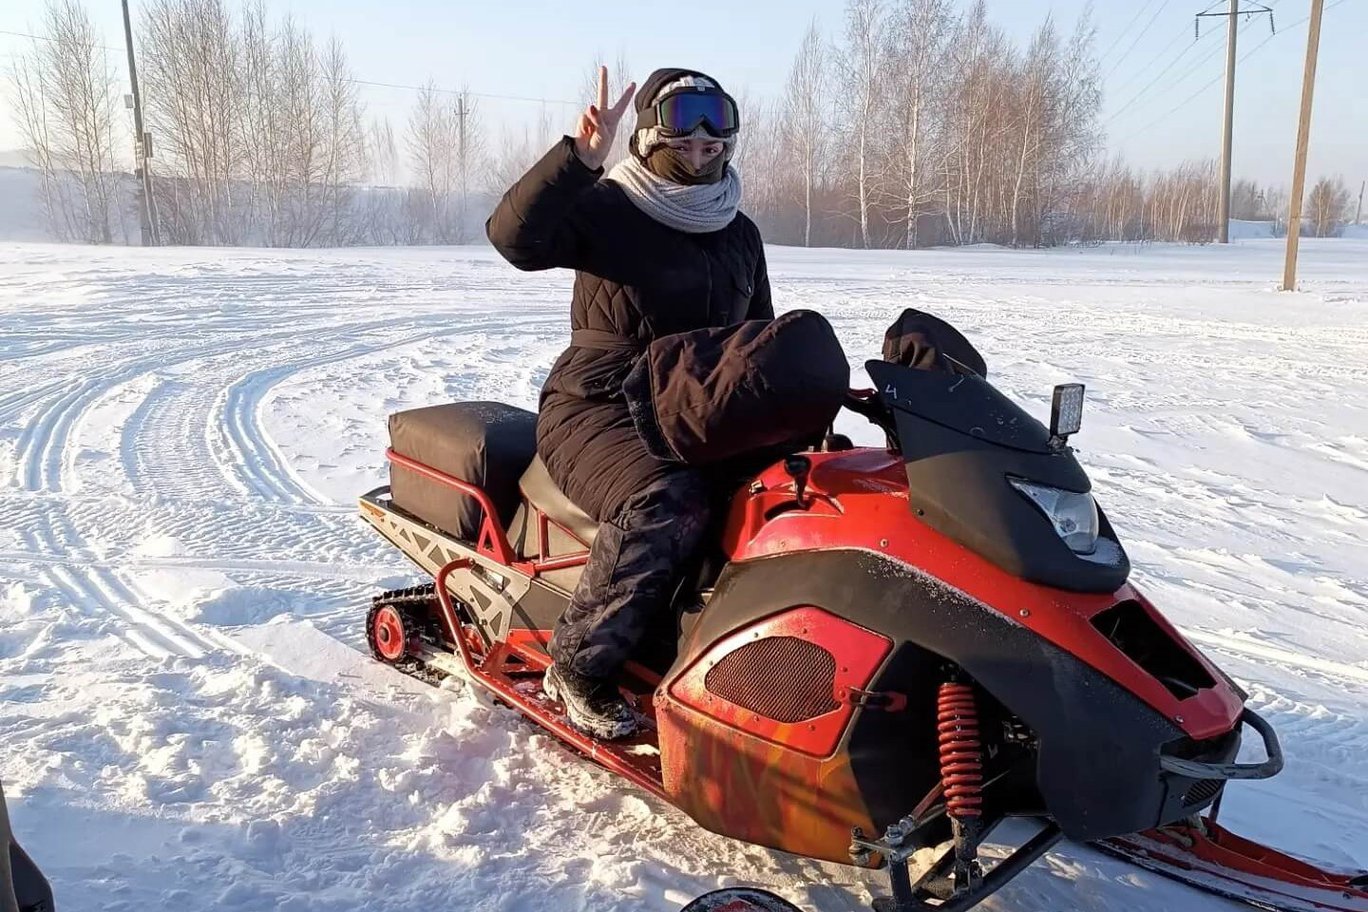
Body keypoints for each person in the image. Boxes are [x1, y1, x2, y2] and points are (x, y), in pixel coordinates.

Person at [486, 66, 772, 740]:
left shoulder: (739, 232)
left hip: (697, 410)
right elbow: (513, 237)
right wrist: (579, 160)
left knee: (784, 490)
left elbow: (758, 335)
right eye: (683, 135)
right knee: (667, 500)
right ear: (648, 136)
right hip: (598, 403)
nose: (700, 148)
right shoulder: (611, 207)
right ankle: (578, 664)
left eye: (713, 138)